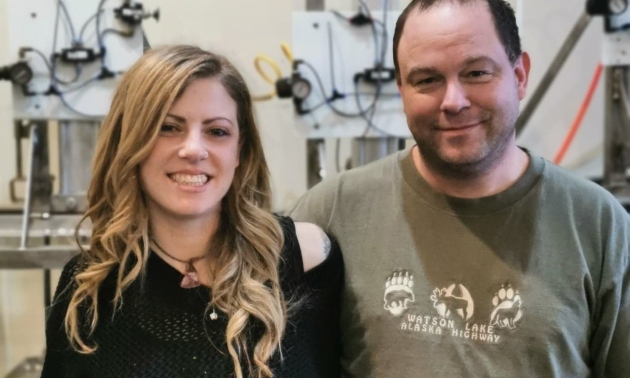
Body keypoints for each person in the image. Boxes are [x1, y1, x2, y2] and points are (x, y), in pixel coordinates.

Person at [290, 0, 630, 376]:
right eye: (427, 80)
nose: (453, 101)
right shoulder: (332, 213)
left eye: (477, 73)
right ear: (401, 89)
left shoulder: (598, 224)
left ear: (519, 75)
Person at [42, 45, 342, 378]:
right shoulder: (89, 290)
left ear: (239, 151)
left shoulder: (306, 258)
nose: (194, 150)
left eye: (217, 132)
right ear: (129, 142)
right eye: (168, 127)